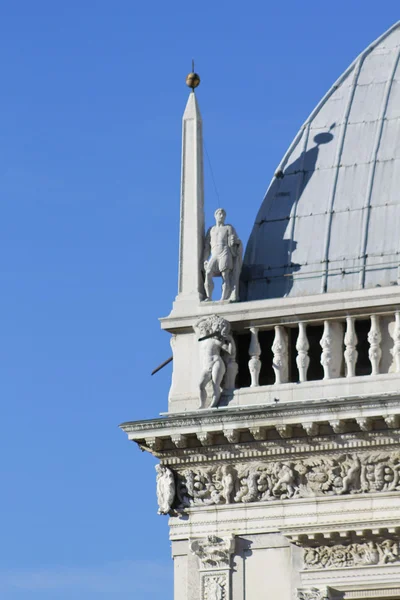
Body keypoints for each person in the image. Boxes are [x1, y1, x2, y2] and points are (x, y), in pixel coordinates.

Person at [203, 208, 242, 302]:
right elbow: (207, 247)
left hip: (225, 252)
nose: (222, 216)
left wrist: (235, 242)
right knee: (208, 273)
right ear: (215, 216)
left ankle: (224, 298)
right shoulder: (211, 230)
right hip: (214, 253)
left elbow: (235, 241)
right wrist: (205, 259)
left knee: (225, 275)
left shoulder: (228, 228)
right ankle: (209, 297)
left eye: (223, 214)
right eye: (220, 214)